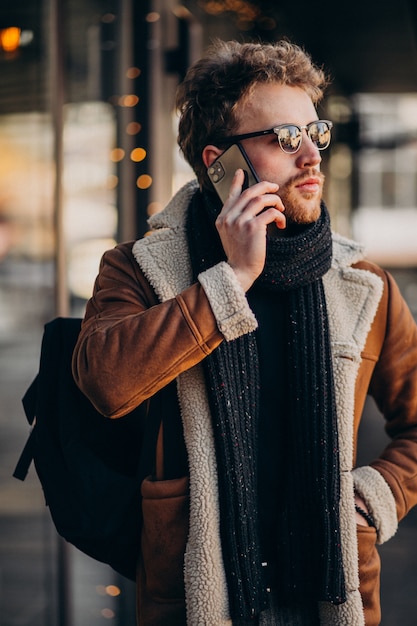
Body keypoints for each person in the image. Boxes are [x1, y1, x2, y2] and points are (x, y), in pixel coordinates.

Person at [72, 39, 417, 626]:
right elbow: (106, 381)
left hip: (328, 587)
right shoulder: (139, 268)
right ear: (220, 163)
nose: (312, 156)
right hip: (198, 589)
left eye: (316, 132)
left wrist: (370, 503)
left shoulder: (363, 283)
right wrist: (229, 281)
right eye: (285, 139)